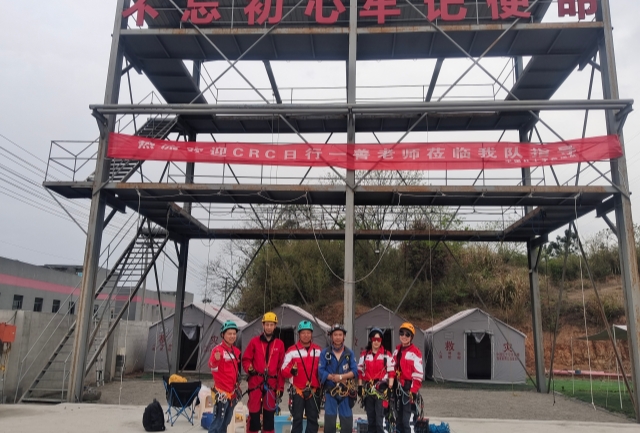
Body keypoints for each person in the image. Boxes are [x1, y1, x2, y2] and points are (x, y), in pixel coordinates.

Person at [242, 312, 285, 433]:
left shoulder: (279, 344)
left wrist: (280, 387)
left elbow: (281, 367)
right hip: (256, 383)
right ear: (263, 325)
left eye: (271, 325)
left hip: (271, 384)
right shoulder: (254, 342)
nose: (269, 327)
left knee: (269, 418)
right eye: (267, 324)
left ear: (275, 326)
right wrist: (249, 368)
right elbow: (246, 359)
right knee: (254, 417)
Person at [281, 320, 322, 433]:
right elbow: (283, 370)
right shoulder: (291, 351)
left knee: (313, 420)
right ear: (299, 334)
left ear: (312, 334)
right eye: (303, 333)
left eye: (308, 332)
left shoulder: (318, 350)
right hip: (297, 391)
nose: (306, 335)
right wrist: (291, 371)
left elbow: (323, 369)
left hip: (313, 391)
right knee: (297, 419)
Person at [319, 324, 359, 433]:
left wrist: (341, 377)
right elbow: (320, 371)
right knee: (329, 424)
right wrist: (332, 377)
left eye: (340, 335)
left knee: (347, 424)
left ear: (344, 336)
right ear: (331, 336)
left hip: (345, 392)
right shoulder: (325, 353)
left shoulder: (349, 353)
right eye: (335, 335)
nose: (337, 337)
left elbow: (355, 371)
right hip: (330, 392)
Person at [357, 328, 395, 433]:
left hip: (381, 389)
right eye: (374, 339)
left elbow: (391, 372)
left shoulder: (386, 354)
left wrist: (390, 388)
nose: (376, 342)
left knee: (379, 417)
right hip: (368, 389)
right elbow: (360, 372)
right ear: (371, 340)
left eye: (379, 339)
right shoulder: (364, 355)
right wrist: (360, 387)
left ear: (381, 340)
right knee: (371, 418)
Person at [208, 320, 242, 433]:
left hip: (232, 394)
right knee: (217, 423)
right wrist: (215, 360)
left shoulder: (235, 351)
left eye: (234, 333)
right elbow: (212, 366)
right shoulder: (217, 350)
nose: (232, 336)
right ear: (223, 335)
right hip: (221, 393)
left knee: (226, 422)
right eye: (229, 333)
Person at [391, 322, 423, 433]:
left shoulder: (416, 353)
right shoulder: (397, 351)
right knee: (397, 416)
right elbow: (391, 368)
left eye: (407, 334)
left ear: (411, 337)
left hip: (408, 389)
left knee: (407, 419)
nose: (404, 336)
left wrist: (413, 391)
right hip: (397, 387)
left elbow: (418, 374)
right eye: (402, 333)